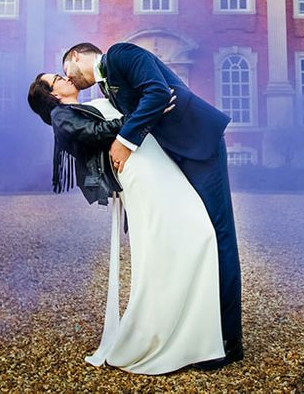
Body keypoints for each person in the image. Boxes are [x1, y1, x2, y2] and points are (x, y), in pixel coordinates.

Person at [27, 73, 225, 374]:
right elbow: (97, 132)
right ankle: (170, 340)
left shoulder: (90, 102)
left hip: (154, 163)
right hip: (140, 172)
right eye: (57, 78)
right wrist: (146, 112)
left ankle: (197, 340)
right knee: (177, 244)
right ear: (52, 94)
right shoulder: (61, 116)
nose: (65, 76)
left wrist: (147, 109)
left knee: (197, 236)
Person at [62, 41, 243, 369]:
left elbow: (157, 93)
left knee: (218, 236)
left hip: (200, 146)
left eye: (66, 72)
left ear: (76, 56)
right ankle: (198, 333)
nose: (69, 79)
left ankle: (230, 340)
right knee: (195, 234)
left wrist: (125, 141)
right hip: (177, 154)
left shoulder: (120, 55)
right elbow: (154, 99)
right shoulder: (108, 86)